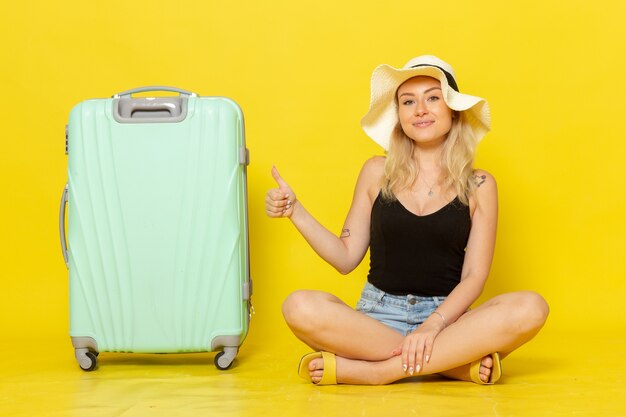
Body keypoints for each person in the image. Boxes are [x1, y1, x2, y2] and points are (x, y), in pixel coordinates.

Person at [265, 55, 549, 386]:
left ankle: (378, 371)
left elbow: (474, 276)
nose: (420, 110)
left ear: (453, 110)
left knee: (531, 307)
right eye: (408, 101)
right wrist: (295, 210)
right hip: (377, 318)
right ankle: (450, 365)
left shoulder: (481, 184)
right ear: (399, 116)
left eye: (433, 98)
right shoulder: (375, 171)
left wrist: (433, 325)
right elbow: (345, 258)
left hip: (448, 320)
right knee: (299, 306)